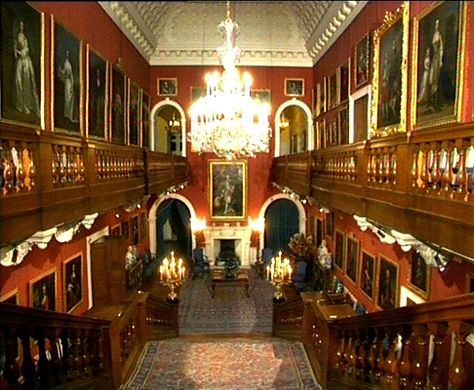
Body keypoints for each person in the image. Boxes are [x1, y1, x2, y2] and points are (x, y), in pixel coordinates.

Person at [14, 20, 40, 117]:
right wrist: (17, 51)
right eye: (20, 25)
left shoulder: (24, 37)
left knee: (27, 82)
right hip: (20, 61)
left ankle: (27, 105)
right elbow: (16, 48)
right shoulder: (17, 37)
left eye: (22, 25)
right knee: (19, 81)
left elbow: (26, 49)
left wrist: (22, 52)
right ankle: (21, 104)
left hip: (26, 61)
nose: (21, 27)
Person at [428, 19, 444, 112]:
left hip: (437, 59)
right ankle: (432, 102)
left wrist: (440, 60)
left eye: (437, 25)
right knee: (432, 80)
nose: (436, 26)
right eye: (435, 25)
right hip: (434, 59)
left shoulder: (439, 36)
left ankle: (437, 102)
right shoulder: (434, 36)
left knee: (437, 80)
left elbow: (441, 49)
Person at [58, 50, 77, 123]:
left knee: (69, 99)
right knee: (68, 99)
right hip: (68, 83)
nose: (67, 55)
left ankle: (69, 114)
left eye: (68, 54)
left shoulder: (68, 64)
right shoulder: (67, 63)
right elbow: (65, 73)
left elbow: (67, 74)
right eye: (66, 54)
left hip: (69, 83)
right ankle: (68, 114)